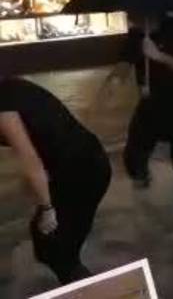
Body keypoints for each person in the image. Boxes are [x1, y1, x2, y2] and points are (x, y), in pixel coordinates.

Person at [0, 77, 111, 284]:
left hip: (85, 172)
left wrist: (47, 208)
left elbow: (31, 163)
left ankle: (82, 285)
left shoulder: (4, 110)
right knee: (47, 238)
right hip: (84, 159)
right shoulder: (10, 86)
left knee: (55, 245)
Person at [117, 14, 173, 221]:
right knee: (133, 155)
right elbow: (124, 63)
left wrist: (158, 55)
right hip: (151, 103)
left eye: (134, 9)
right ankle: (144, 197)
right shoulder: (137, 33)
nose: (129, 14)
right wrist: (113, 80)